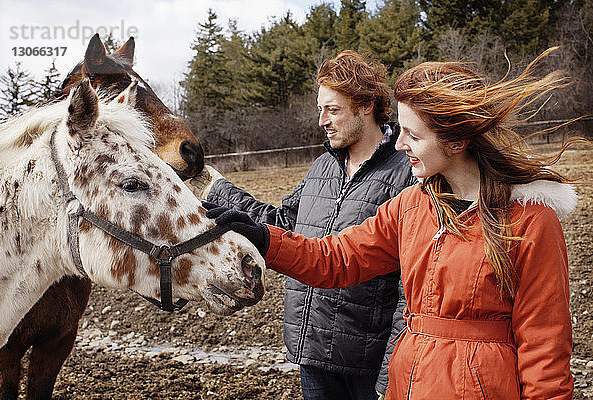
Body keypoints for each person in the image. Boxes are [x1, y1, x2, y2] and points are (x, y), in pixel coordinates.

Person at [204, 49, 577, 399]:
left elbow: (545, 351)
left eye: (413, 135)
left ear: (457, 140)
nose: (400, 145)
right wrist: (265, 239)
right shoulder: (411, 206)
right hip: (408, 383)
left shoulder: (530, 221)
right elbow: (335, 259)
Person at [189, 50, 415, 399]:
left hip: (367, 364)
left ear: (367, 105)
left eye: (333, 109)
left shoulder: (407, 173)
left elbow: (410, 290)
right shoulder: (321, 168)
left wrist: (391, 375)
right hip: (312, 352)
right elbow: (282, 225)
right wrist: (219, 189)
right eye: (320, 108)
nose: (322, 120)